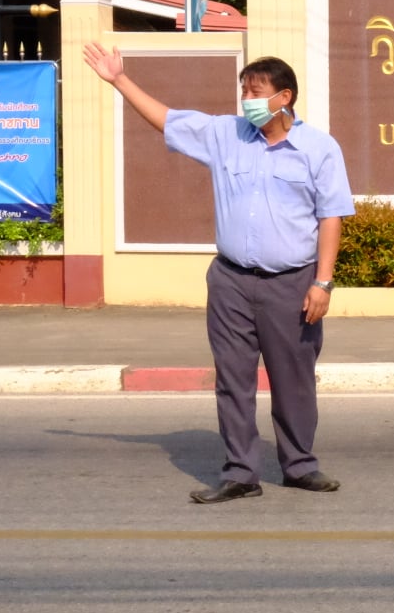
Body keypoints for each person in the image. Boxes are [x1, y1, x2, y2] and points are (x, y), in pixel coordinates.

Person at [82, 43, 354, 504]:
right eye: (243, 89)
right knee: (232, 378)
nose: (246, 98)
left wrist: (322, 283)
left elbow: (331, 217)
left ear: (284, 97)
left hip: (291, 281)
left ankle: (300, 466)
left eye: (256, 91)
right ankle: (241, 473)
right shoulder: (225, 133)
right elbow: (166, 119)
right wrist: (119, 80)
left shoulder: (318, 148)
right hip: (230, 281)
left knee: (293, 379)